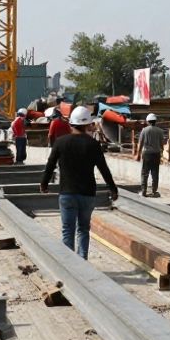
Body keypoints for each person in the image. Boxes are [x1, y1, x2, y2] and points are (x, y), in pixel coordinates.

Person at [41, 105, 119, 258]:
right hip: (87, 194)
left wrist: (44, 184)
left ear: (71, 124)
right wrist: (113, 189)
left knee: (67, 230)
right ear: (88, 125)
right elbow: (104, 169)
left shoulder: (60, 142)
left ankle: (70, 266)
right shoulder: (93, 144)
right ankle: (82, 261)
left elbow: (50, 165)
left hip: (67, 193)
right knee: (83, 229)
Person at [134, 113, 166, 197]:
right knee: (155, 173)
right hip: (156, 154)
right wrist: (161, 154)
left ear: (148, 121)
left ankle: (144, 191)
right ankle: (154, 191)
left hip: (146, 154)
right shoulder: (160, 131)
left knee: (145, 173)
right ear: (155, 121)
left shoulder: (144, 130)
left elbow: (140, 143)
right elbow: (162, 144)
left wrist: (138, 154)